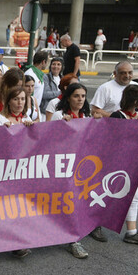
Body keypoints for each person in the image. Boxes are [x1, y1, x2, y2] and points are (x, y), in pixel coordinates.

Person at [107, 85, 138, 246]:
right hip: (116, 165)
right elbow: (111, 140)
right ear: (136, 101)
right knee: (110, 196)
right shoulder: (117, 116)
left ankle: (131, 232)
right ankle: (127, 232)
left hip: (130, 165)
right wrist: (136, 125)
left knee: (134, 196)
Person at [48, 83, 92, 259]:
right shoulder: (60, 115)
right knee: (66, 200)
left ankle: (72, 236)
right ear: (68, 98)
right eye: (76, 96)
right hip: (62, 165)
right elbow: (50, 140)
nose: (80, 99)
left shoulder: (86, 115)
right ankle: (72, 239)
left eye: (83, 96)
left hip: (80, 165)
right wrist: (62, 126)